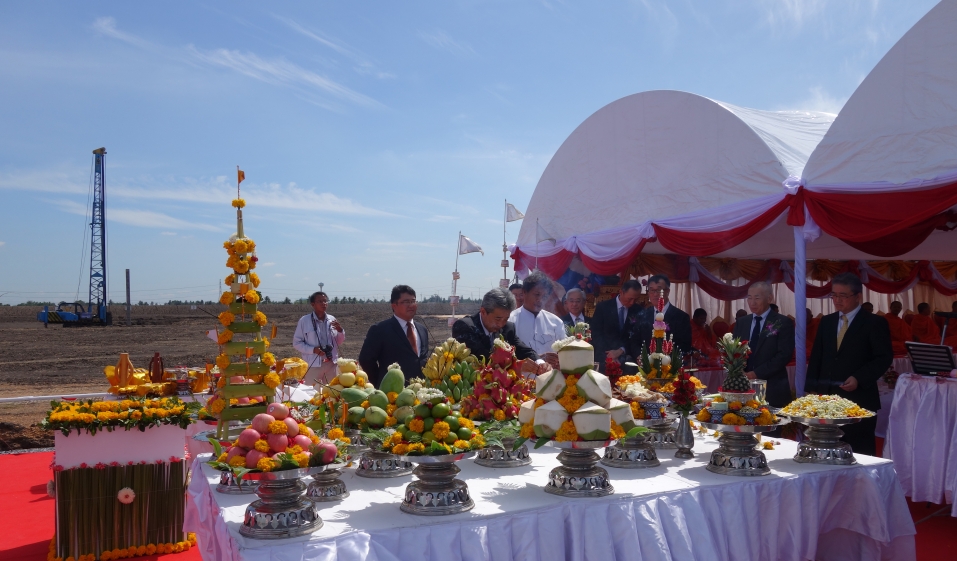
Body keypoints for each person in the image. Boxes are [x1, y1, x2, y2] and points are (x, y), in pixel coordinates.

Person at [806, 272, 892, 455]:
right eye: (834, 295)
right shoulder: (827, 322)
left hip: (859, 400)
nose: (837, 300)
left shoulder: (874, 323)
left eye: (843, 296)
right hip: (828, 400)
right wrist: (812, 390)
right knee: (827, 451)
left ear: (858, 296)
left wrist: (859, 378)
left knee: (859, 452)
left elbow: (883, 357)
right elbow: (817, 357)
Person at [452, 287, 549, 374]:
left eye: (506, 319)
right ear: (483, 312)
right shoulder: (464, 327)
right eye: (497, 319)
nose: (501, 324)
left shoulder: (508, 328)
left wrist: (540, 363)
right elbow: (482, 357)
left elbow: (523, 349)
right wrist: (515, 365)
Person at [732, 282, 795, 408]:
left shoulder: (782, 322)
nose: (752, 302)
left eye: (757, 298)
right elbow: (734, 350)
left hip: (772, 387)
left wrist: (755, 374)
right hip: (744, 387)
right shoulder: (742, 322)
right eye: (749, 297)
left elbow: (784, 355)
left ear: (769, 298)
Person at [358, 285, 430, 387]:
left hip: (421, 390)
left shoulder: (422, 329)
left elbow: (422, 359)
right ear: (394, 305)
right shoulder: (380, 329)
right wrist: (381, 383)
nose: (411, 305)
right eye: (406, 302)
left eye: (413, 301)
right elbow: (366, 360)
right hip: (393, 393)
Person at [509, 271, 565, 367]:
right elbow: (506, 358)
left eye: (545, 296)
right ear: (524, 292)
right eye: (537, 294)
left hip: (550, 379)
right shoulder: (511, 321)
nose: (540, 300)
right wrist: (538, 359)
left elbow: (565, 353)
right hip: (521, 380)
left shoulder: (556, 322)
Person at [292, 291, 345, 385]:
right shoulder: (304, 321)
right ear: (313, 304)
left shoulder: (332, 319)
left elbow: (339, 342)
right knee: (311, 393)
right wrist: (313, 350)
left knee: (331, 392)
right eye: (320, 301)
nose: (324, 303)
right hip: (313, 364)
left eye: (325, 301)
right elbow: (297, 343)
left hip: (331, 363)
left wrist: (340, 330)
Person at [590, 279, 644, 370]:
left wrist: (621, 350)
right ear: (621, 292)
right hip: (604, 357)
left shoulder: (638, 310)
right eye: (630, 299)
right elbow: (596, 333)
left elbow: (637, 336)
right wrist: (609, 355)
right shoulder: (603, 307)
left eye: (636, 299)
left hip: (627, 359)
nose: (632, 302)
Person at [636, 275, 692, 356]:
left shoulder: (681, 317)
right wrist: (640, 356)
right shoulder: (642, 315)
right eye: (652, 290)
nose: (655, 294)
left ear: (667, 291)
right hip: (645, 364)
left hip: (669, 364)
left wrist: (665, 358)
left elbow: (685, 345)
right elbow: (635, 341)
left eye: (659, 290)